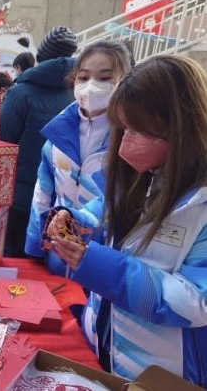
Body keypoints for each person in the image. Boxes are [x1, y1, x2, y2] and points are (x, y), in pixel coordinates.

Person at [47, 55, 207, 387]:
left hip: (162, 371)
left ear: (179, 127)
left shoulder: (199, 202)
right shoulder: (141, 176)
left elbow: (195, 301)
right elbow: (102, 213)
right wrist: (73, 221)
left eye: (137, 130)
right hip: (103, 345)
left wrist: (104, 268)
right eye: (123, 129)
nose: (125, 143)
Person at [25, 41, 132, 276]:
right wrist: (34, 246)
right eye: (84, 77)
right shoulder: (58, 132)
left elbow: (123, 199)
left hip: (103, 258)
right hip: (57, 252)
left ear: (124, 81)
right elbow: (42, 193)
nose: (91, 86)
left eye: (105, 78)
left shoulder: (131, 136)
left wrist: (79, 223)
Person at [0, 25, 78, 257]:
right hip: (67, 200)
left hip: (21, 197)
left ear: (40, 57)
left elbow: (2, 143)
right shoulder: (78, 94)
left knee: (17, 261)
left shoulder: (20, 93)